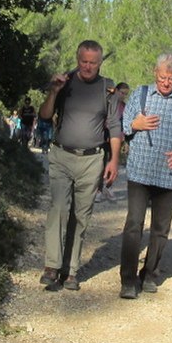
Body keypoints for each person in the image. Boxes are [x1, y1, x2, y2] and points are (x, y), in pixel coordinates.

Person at [38, 40, 123, 291]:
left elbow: (115, 127)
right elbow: (44, 115)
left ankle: (71, 270)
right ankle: (52, 266)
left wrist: (114, 160)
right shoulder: (64, 83)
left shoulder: (108, 89)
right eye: (83, 61)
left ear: (100, 63)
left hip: (92, 159)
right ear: (78, 60)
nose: (87, 67)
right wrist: (53, 91)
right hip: (62, 155)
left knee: (81, 215)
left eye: (92, 63)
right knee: (59, 209)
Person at [118, 54, 172, 299]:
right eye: (163, 77)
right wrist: (135, 125)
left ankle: (150, 274)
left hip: (168, 175)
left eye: (171, 79)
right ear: (155, 73)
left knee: (161, 229)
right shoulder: (141, 95)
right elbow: (122, 125)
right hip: (140, 172)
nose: (166, 83)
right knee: (134, 225)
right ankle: (128, 280)